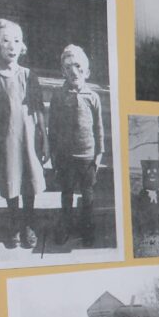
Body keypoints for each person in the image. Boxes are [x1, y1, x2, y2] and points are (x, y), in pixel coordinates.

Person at [0, 18, 48, 249]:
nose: (11, 46)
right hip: (6, 139)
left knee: (29, 180)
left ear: (22, 46)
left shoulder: (30, 76)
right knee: (11, 180)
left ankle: (28, 223)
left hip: (28, 139)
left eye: (16, 41)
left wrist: (44, 140)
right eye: (6, 41)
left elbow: (38, 110)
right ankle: (14, 223)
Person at [48, 45, 103, 246]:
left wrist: (99, 155)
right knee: (67, 193)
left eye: (78, 66)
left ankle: (86, 228)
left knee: (88, 195)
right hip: (65, 157)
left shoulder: (93, 97)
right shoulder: (58, 96)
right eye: (68, 67)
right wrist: (53, 154)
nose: (73, 71)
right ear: (63, 71)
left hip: (87, 157)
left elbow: (99, 128)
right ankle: (66, 225)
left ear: (87, 71)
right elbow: (52, 128)